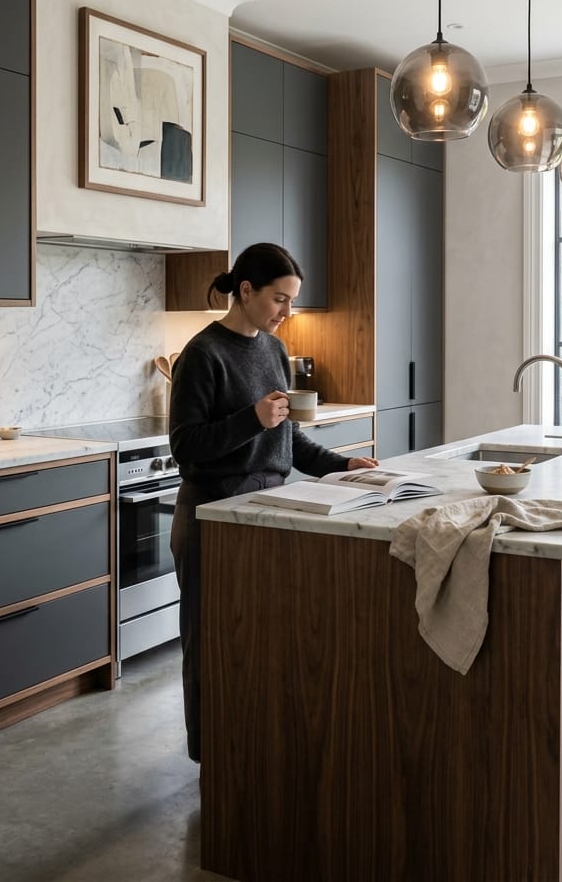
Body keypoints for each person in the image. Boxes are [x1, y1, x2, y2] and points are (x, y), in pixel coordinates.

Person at [168, 242, 378, 763]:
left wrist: (341, 464)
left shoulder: (273, 350)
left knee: (264, 642)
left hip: (268, 513)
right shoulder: (202, 354)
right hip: (212, 519)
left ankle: (254, 751)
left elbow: (286, 439)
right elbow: (185, 447)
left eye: (291, 302)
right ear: (246, 290)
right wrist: (250, 420)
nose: (288, 313)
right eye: (280, 300)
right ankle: (210, 758)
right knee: (210, 644)